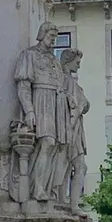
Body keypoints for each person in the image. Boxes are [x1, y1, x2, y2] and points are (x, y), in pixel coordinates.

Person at [14, 22, 69, 201]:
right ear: (42, 34)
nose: (53, 40)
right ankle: (37, 188)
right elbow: (23, 85)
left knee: (53, 146)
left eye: (55, 37)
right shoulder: (29, 55)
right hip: (41, 100)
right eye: (50, 36)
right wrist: (29, 110)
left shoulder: (55, 60)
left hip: (56, 104)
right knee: (46, 142)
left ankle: (44, 187)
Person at [58, 48, 90, 214]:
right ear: (68, 61)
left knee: (77, 166)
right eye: (77, 63)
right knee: (69, 165)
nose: (78, 66)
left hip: (75, 127)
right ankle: (68, 203)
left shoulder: (71, 83)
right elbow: (73, 105)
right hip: (68, 127)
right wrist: (79, 108)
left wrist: (82, 106)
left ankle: (70, 203)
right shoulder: (63, 81)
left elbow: (83, 103)